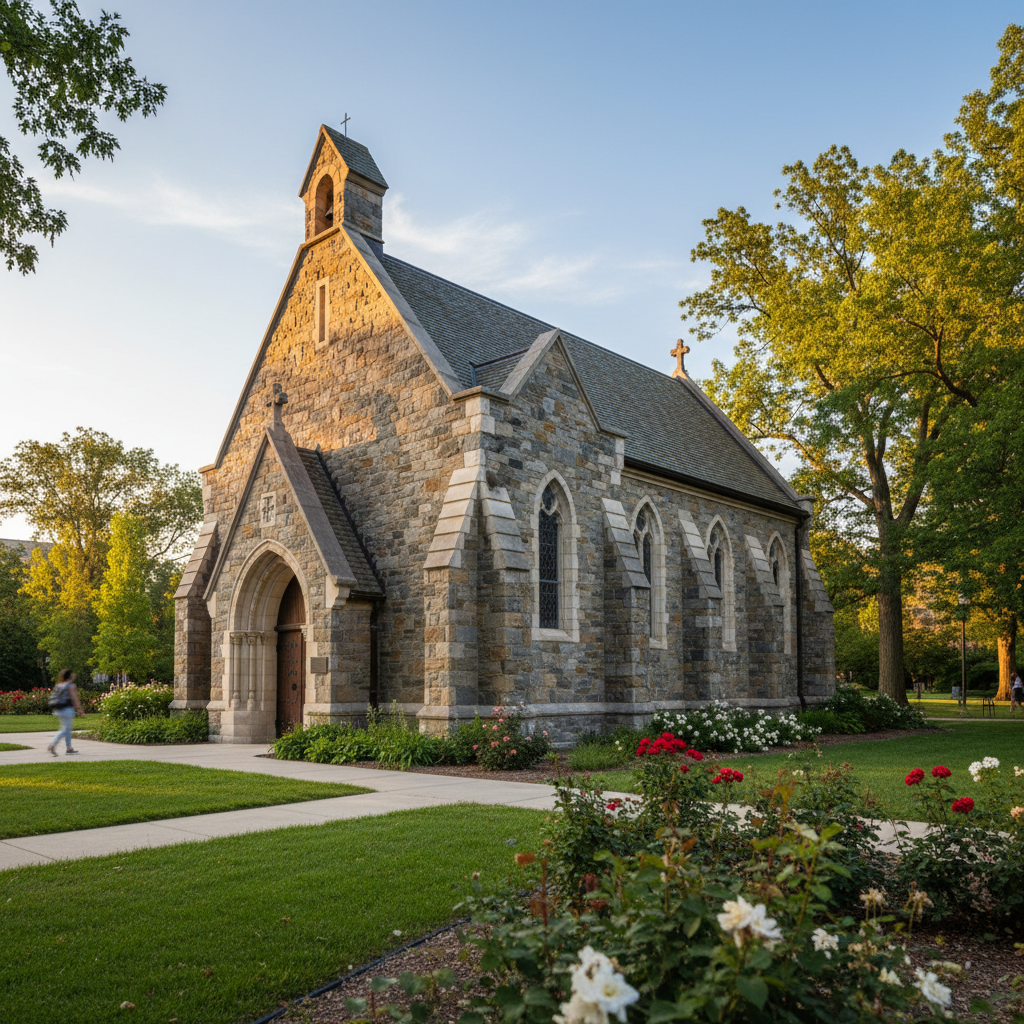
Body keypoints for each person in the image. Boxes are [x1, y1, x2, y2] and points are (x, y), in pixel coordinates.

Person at [46, 669, 84, 756]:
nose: (74, 675)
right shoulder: (71, 685)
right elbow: (74, 698)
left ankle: (69, 748)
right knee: (65, 729)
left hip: (59, 709)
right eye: (73, 674)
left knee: (67, 728)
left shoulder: (59, 685)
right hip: (67, 709)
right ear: (70, 676)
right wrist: (80, 709)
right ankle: (53, 744)